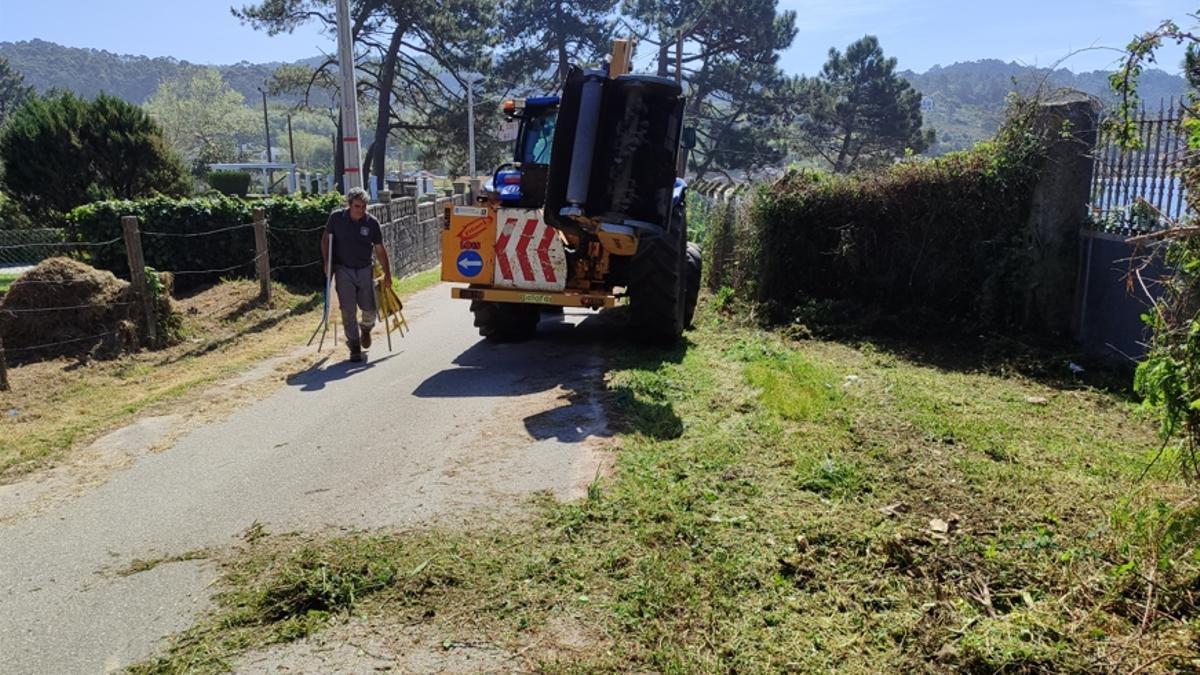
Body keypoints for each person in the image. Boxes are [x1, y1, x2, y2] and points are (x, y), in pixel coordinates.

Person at [321, 187, 393, 362]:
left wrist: (388, 273)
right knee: (348, 309)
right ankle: (354, 345)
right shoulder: (336, 218)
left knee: (369, 308)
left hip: (364, 269)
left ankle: (366, 329)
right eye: (357, 206)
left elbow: (380, 249)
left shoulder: (371, 223)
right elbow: (325, 240)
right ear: (349, 205)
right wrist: (326, 263)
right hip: (343, 269)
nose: (360, 210)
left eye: (363, 206)